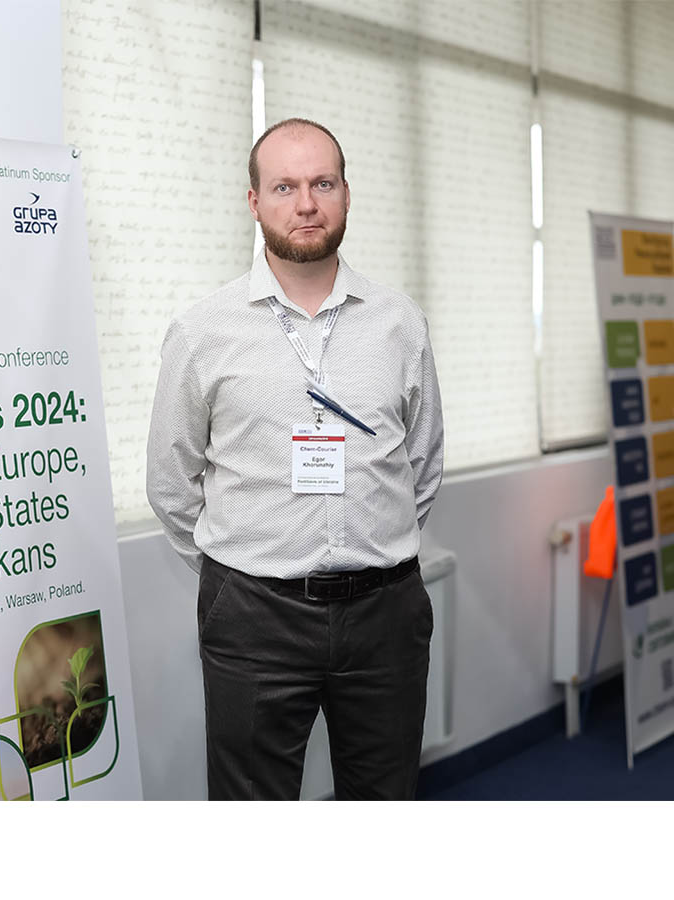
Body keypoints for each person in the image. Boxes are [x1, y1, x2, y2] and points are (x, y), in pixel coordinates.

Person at [146, 117, 444, 800]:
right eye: (284, 186)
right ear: (254, 201)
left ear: (346, 194)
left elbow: (422, 466)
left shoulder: (400, 323)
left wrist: (375, 545)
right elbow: (171, 483)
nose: (306, 203)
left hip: (386, 613)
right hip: (253, 616)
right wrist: (240, 571)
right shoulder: (202, 331)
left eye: (322, 184)